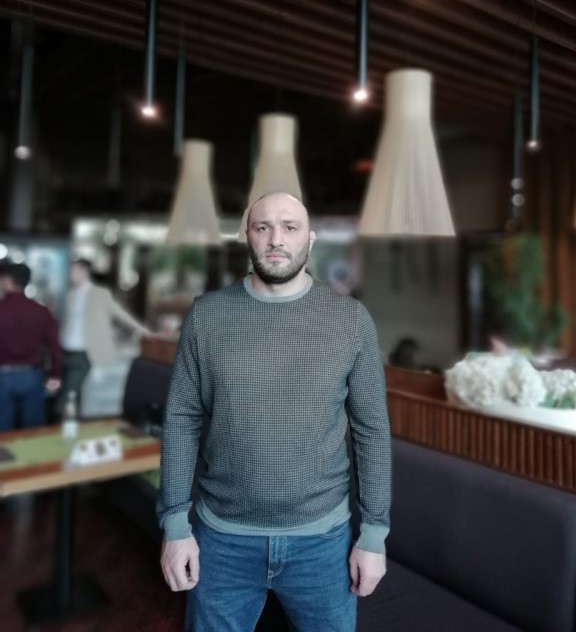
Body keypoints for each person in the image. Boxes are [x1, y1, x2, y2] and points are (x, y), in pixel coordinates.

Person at [159, 192, 391, 632]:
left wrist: (374, 534)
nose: (276, 239)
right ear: (247, 236)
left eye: (290, 227)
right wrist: (174, 524)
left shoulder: (351, 320)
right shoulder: (206, 316)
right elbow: (181, 419)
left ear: (310, 239)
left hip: (323, 543)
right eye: (263, 227)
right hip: (222, 540)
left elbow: (372, 429)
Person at [55, 258, 151, 415]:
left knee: (68, 393)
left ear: (84, 271)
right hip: (65, 350)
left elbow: (121, 314)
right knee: (73, 392)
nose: (70, 274)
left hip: (83, 352)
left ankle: (60, 420)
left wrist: (145, 331)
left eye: (73, 270)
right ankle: (71, 420)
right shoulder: (70, 294)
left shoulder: (100, 294)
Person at [0, 261, 62, 430]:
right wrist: (54, 375)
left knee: (3, 432)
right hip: (32, 376)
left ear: (7, 280)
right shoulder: (41, 311)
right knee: (32, 430)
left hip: (2, 376)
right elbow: (54, 348)